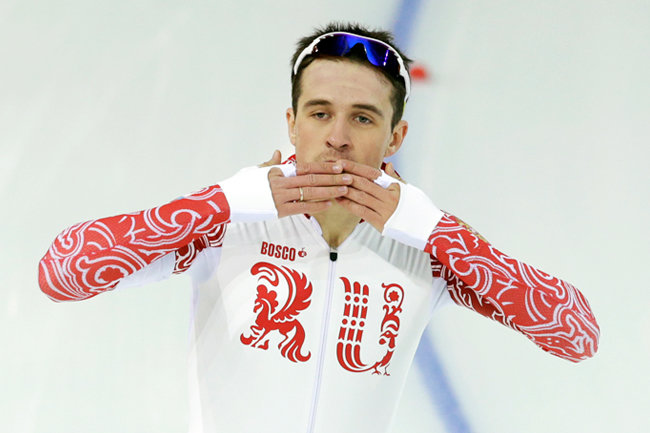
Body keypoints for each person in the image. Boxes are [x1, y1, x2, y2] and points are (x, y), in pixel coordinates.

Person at [38, 22, 599, 433]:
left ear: (396, 138)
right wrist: (222, 202)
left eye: (363, 118)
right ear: (292, 123)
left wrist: (437, 231)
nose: (337, 137)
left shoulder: (428, 248)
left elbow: (576, 334)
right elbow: (62, 272)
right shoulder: (227, 223)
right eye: (320, 112)